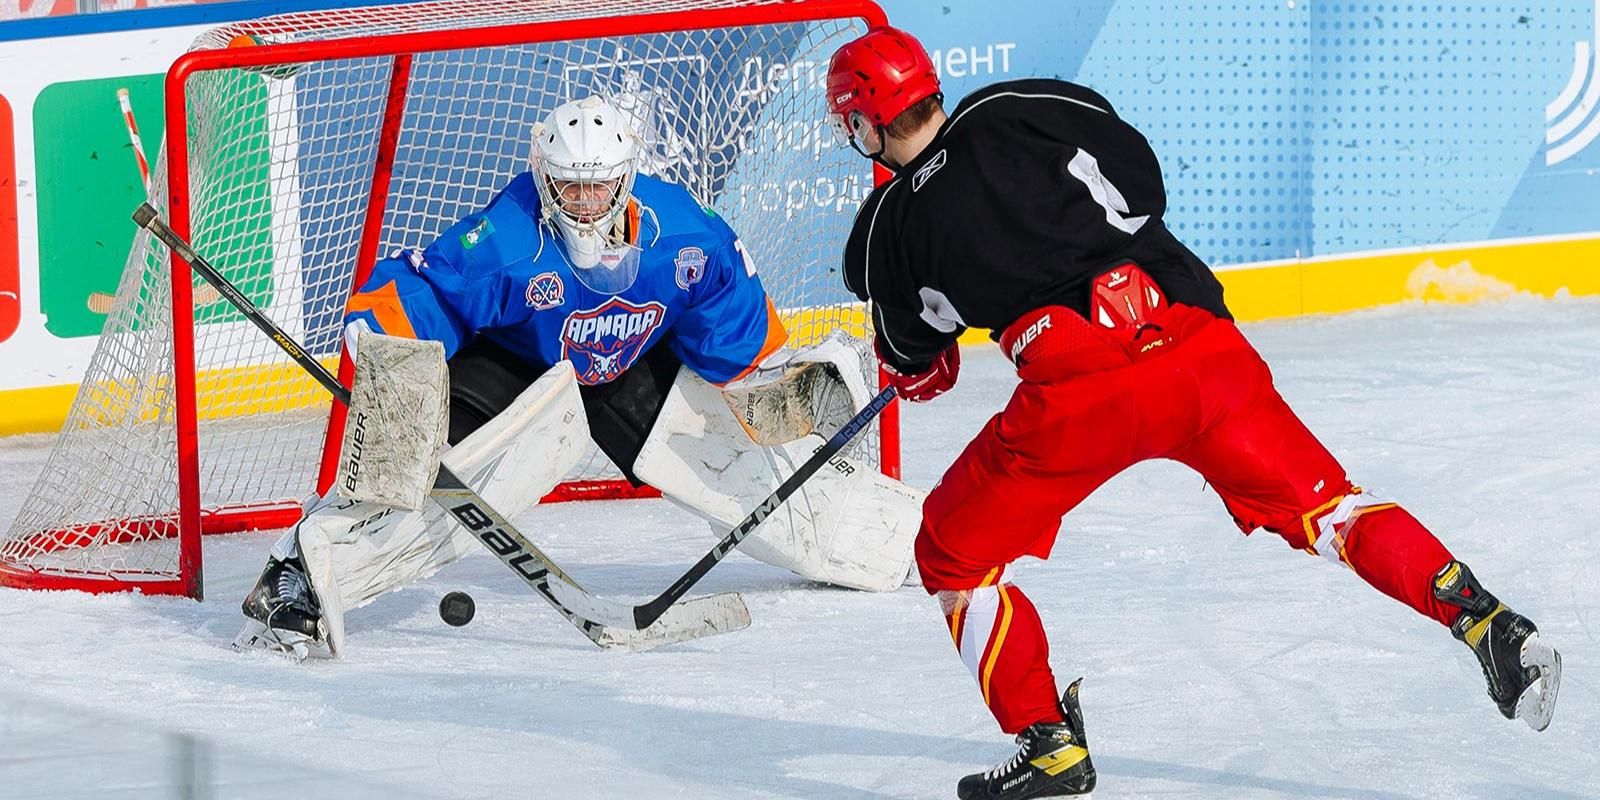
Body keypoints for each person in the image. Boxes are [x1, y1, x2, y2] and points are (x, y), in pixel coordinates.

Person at [825, 26, 1562, 800]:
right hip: (1199, 347)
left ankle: (1047, 743)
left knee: (951, 554)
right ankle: (1482, 617)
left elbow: (916, 358)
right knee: (1331, 510)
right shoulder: (1020, 103)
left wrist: (930, 357)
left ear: (862, 125)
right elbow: (1138, 178)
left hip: (1078, 394)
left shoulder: (890, 227)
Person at [235, 95, 923, 659]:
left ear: (626, 178)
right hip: (515, 366)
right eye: (570, 187)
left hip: (631, 368)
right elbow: (424, 291)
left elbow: (729, 328)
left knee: (742, 465)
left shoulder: (684, 237)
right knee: (435, 475)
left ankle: (893, 540)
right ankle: (298, 576)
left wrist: (775, 395)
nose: (585, 202)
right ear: (545, 179)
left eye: (598, 186)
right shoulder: (507, 241)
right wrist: (378, 329)